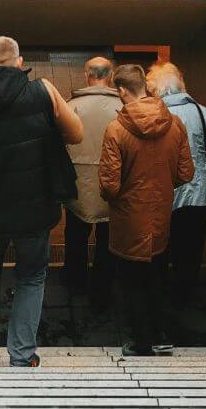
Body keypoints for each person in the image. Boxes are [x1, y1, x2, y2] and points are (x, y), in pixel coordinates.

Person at [0, 35, 84, 367]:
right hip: (34, 205)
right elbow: (76, 133)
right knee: (32, 276)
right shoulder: (43, 91)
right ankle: (21, 353)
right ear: (20, 62)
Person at [99, 64, 194, 357]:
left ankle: (140, 342)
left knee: (132, 281)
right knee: (158, 276)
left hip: (128, 219)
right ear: (145, 87)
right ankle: (161, 335)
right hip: (161, 215)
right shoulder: (175, 124)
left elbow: (110, 186)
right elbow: (186, 173)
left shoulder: (116, 130)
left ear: (121, 91)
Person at [147, 62, 206, 302]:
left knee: (160, 245)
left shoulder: (153, 113)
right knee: (191, 247)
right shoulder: (202, 112)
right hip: (196, 192)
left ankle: (159, 293)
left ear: (156, 88)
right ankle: (184, 295)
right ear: (180, 84)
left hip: (162, 193)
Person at [63, 56, 120, 307]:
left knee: (76, 234)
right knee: (108, 240)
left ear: (86, 75)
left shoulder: (71, 106)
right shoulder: (123, 106)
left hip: (77, 185)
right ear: (111, 76)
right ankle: (101, 290)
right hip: (113, 187)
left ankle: (75, 280)